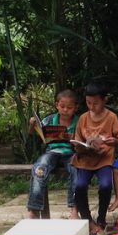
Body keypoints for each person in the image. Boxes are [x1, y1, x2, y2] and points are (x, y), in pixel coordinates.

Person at [71, 82, 118, 235]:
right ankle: (87, 220)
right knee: (80, 186)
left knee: (106, 185)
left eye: (95, 103)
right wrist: (81, 146)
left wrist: (114, 142)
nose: (91, 106)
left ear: (104, 100)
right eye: (88, 103)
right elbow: (77, 139)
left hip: (104, 158)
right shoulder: (83, 118)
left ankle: (101, 220)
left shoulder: (111, 117)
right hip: (85, 159)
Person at [26, 89, 79, 220]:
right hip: (52, 152)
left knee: (77, 170)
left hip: (71, 153)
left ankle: (74, 209)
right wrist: (32, 125)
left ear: (76, 108)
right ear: (56, 105)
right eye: (62, 106)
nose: (65, 110)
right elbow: (33, 133)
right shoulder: (49, 119)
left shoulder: (79, 121)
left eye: (69, 107)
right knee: (39, 168)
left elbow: (83, 139)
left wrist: (72, 137)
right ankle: (34, 209)